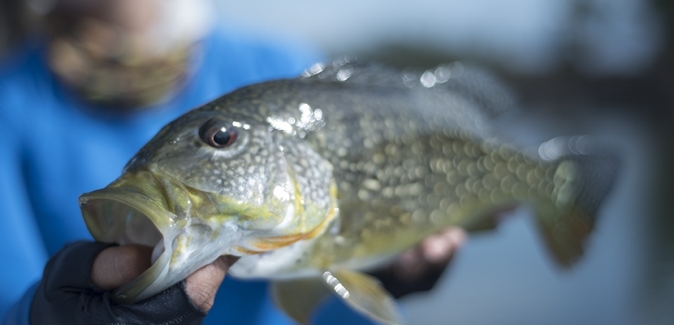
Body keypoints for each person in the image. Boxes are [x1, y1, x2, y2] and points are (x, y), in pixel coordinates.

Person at [0, 1, 466, 324]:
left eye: (220, 138)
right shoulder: (11, 104)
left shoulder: (280, 65)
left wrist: (385, 264)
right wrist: (45, 314)